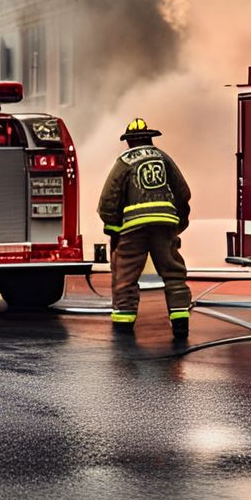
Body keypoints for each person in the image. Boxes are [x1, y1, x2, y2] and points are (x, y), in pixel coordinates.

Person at [97, 118, 193, 342]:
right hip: (164, 226)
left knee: (125, 276)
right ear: (150, 138)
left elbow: (108, 201)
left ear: (129, 142)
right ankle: (180, 326)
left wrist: (113, 229)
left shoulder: (123, 161)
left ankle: (123, 329)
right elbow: (183, 192)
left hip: (133, 228)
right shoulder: (163, 157)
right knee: (174, 273)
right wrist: (178, 224)